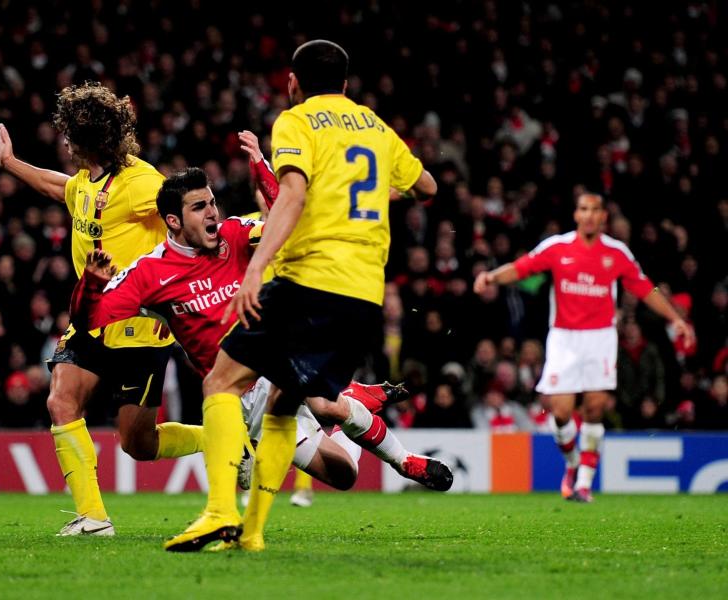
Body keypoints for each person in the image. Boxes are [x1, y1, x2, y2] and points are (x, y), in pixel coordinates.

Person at [168, 40, 440, 552]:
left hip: (308, 280)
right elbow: (425, 186)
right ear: (346, 82)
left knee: (221, 382)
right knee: (281, 404)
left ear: (293, 82)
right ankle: (251, 534)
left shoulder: (296, 122)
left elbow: (290, 196)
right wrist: (372, 190)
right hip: (365, 297)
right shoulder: (376, 127)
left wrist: (255, 274)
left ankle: (220, 512)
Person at [75, 168, 440, 499]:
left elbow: (291, 225)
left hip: (276, 355)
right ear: (173, 220)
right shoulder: (148, 274)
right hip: (243, 399)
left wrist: (263, 170)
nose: (212, 213)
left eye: (212, 202)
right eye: (199, 207)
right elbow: (87, 319)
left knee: (322, 402)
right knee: (345, 473)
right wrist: (92, 283)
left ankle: (404, 460)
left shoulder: (234, 233)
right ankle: (351, 398)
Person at [0, 81, 176, 537]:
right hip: (93, 316)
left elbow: (184, 210)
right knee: (61, 399)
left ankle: (230, 443)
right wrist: (12, 164)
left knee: (138, 443)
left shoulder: (141, 184)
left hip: (140, 324)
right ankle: (93, 518)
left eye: (68, 136)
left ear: (80, 140)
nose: (65, 143)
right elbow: (63, 189)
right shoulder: (87, 181)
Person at [474, 193, 695, 502]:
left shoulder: (616, 253)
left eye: (595, 210)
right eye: (583, 209)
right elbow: (523, 267)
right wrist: (492, 277)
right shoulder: (557, 247)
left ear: (603, 216)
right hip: (564, 338)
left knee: (594, 408)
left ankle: (585, 484)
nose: (589, 215)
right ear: (576, 215)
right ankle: (572, 464)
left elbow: (645, 286)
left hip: (600, 338)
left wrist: (676, 319)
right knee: (561, 411)